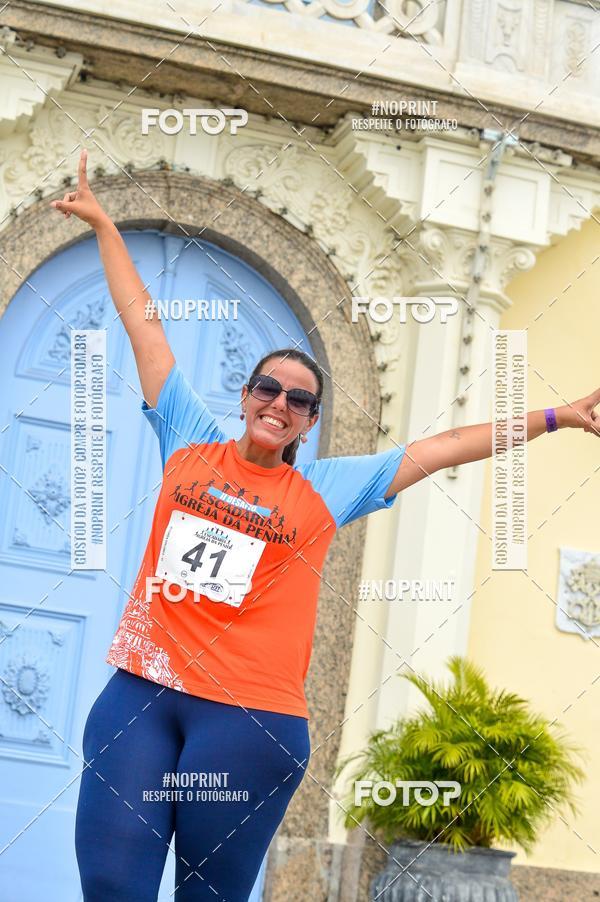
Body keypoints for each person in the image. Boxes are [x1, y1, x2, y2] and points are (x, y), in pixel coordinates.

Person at [50, 150, 600, 901]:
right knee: (112, 882)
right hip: (141, 696)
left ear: (308, 423)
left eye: (299, 400)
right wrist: (107, 227)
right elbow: (144, 327)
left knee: (206, 895)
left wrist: (553, 418)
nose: (280, 403)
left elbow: (438, 449)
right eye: (268, 388)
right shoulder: (185, 434)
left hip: (246, 721)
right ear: (246, 396)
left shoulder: (324, 486)